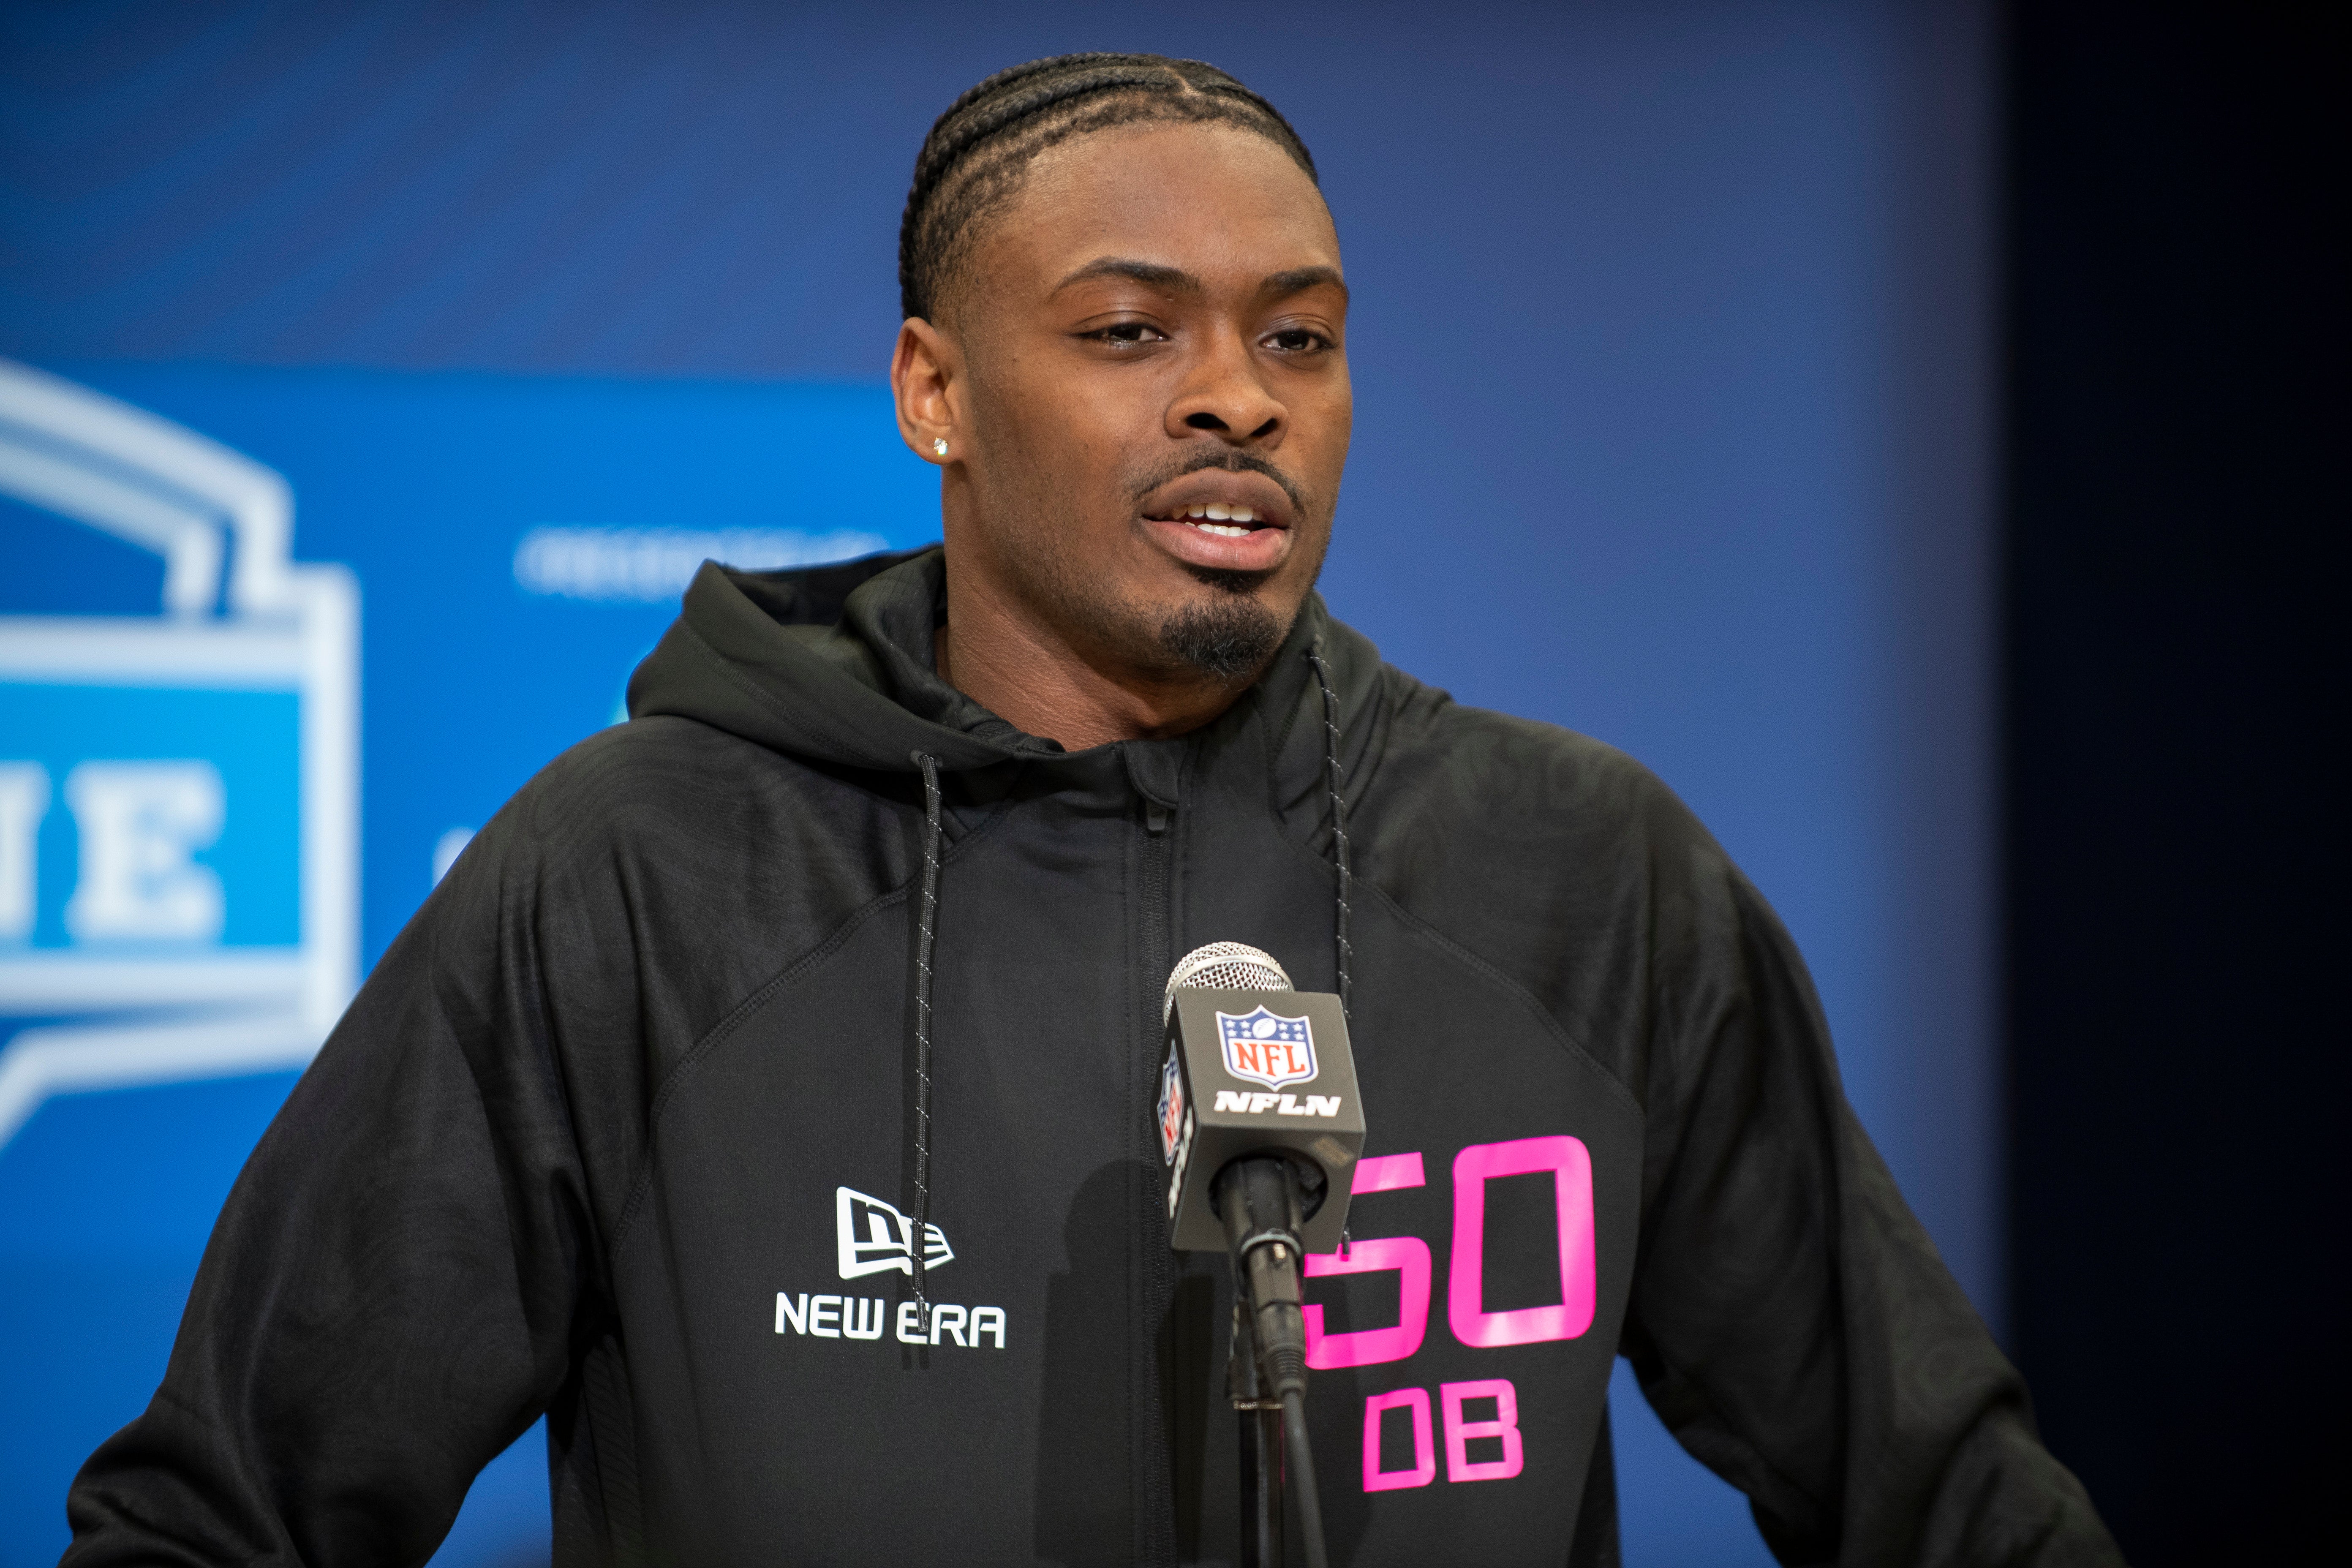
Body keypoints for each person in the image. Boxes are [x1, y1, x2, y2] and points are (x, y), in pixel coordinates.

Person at [63, 54, 2120, 1567]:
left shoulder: (1586, 878)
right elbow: (222, 1518)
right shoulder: (633, 874)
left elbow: (1948, 1506)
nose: (1240, 395)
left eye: (1297, 339)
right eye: (1131, 330)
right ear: (931, 391)